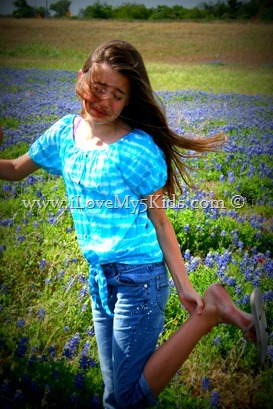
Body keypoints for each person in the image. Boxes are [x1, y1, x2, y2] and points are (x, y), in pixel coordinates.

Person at [0, 40, 268, 408]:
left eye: (118, 95)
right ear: (80, 79)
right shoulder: (64, 134)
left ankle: (211, 315)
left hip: (139, 280)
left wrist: (184, 285)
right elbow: (15, 169)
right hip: (100, 277)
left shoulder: (136, 149)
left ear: (129, 101)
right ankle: (218, 306)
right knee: (115, 398)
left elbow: (160, 221)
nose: (104, 101)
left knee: (126, 398)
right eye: (98, 88)